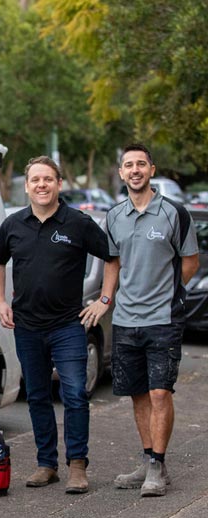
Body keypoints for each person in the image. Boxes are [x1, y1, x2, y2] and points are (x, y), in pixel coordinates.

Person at [0, 156, 111, 494]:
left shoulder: (78, 223)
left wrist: (104, 300)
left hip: (68, 326)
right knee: (38, 396)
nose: (42, 185)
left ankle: (77, 465)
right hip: (26, 326)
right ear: (27, 186)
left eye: (48, 179)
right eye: (35, 180)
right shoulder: (13, 224)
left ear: (58, 184)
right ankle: (46, 464)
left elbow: (112, 256)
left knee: (74, 395)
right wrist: (0, 301)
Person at [82, 143, 199, 497]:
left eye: (141, 164)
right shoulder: (114, 216)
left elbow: (190, 261)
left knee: (160, 391)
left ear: (151, 170)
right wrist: (106, 299)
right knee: (137, 395)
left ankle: (158, 466)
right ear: (121, 173)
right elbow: (112, 262)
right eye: (128, 165)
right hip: (126, 319)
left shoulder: (174, 213)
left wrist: (168, 293)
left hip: (163, 318)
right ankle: (149, 461)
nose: (135, 170)